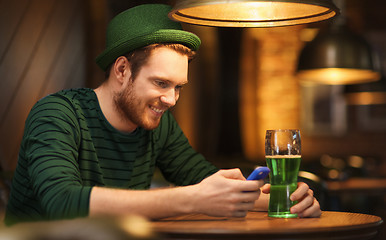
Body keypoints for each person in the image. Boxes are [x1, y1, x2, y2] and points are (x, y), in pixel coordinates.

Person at [4, 4, 321, 226]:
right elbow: (61, 203)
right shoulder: (57, 114)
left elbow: (207, 185)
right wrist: (193, 199)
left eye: (179, 87)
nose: (171, 99)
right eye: (160, 83)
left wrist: (286, 200)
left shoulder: (158, 125)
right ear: (122, 70)